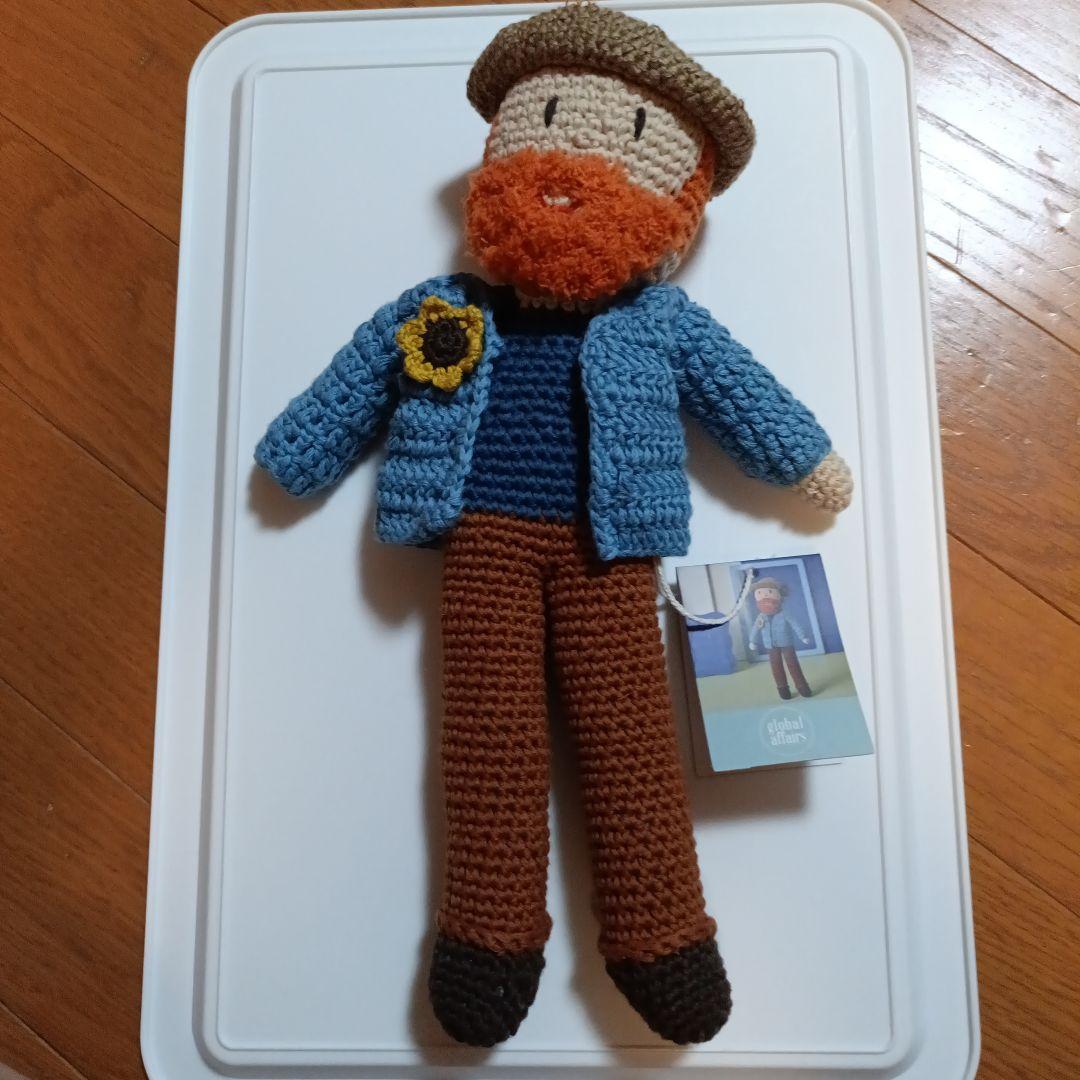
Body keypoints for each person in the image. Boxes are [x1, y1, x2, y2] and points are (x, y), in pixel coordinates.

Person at [255, 2, 852, 1047]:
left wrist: (808, 464)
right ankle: (486, 935)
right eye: (542, 128)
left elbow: (740, 394)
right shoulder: (445, 308)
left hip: (608, 554)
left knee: (631, 738)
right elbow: (358, 380)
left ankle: (662, 933)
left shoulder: (658, 323)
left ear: (679, 206)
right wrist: (298, 452)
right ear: (500, 147)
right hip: (481, 546)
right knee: (487, 740)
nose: (566, 173)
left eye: (622, 144)